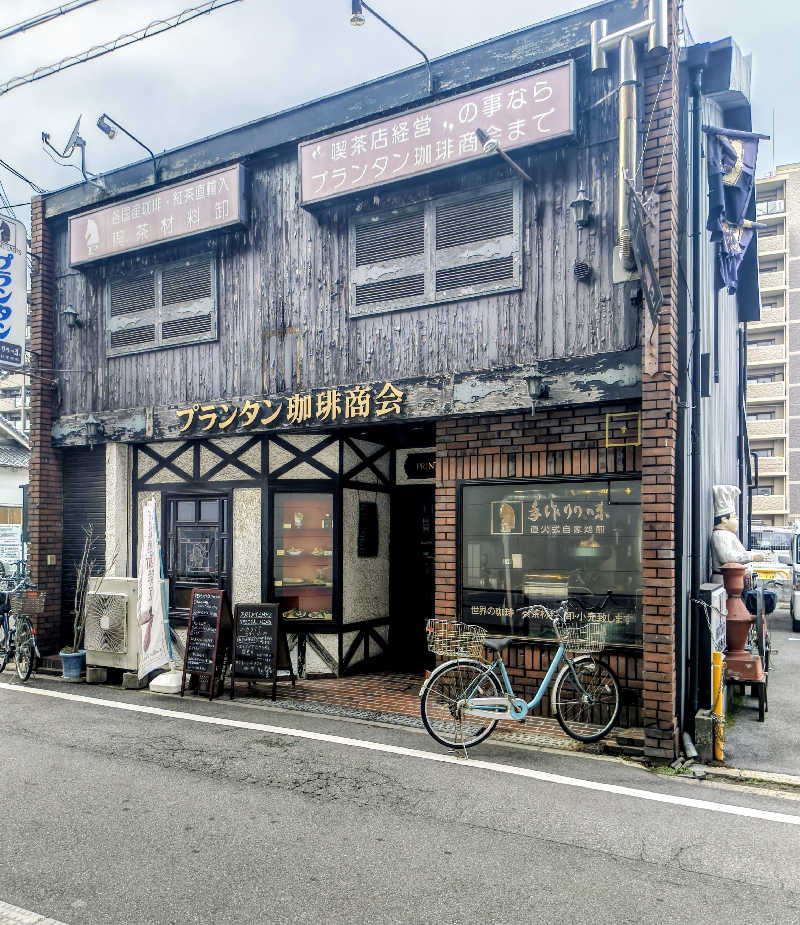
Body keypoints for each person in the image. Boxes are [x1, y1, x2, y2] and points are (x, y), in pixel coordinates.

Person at [710, 484, 764, 581]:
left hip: (733, 578)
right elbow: (727, 557)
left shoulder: (728, 535)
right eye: (734, 517)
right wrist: (752, 556)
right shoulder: (720, 535)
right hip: (723, 579)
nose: (737, 520)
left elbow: (740, 554)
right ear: (724, 520)